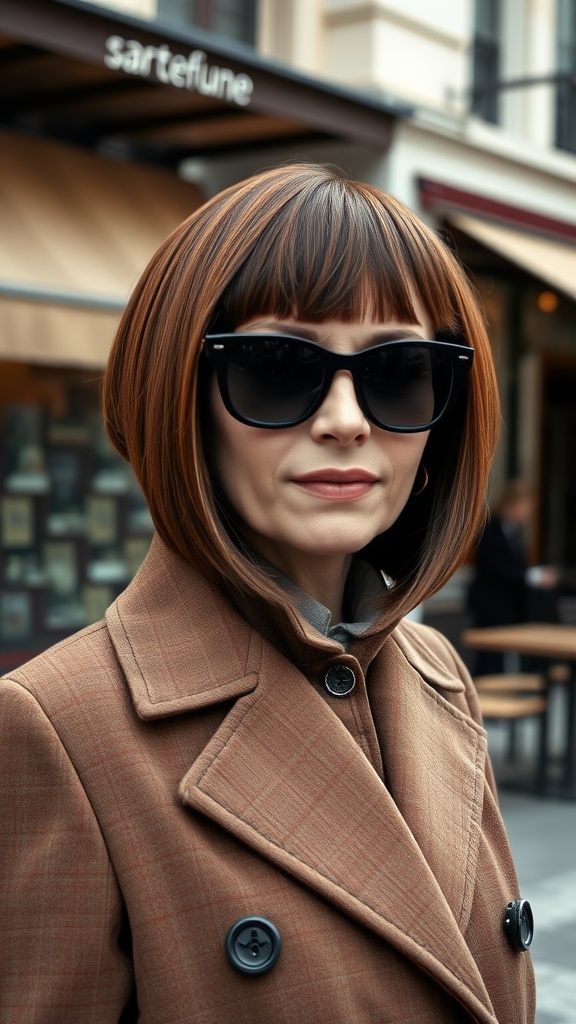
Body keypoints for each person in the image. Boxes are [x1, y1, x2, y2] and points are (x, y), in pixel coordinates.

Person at [0, 165, 535, 1023]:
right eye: (278, 367)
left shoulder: (438, 672)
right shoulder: (56, 725)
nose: (346, 418)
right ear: (183, 397)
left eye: (400, 372)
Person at [468, 479, 559, 673]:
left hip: (509, 606)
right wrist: (532, 577)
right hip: (491, 605)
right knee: (490, 657)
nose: (528, 513)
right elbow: (496, 567)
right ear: (514, 503)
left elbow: (517, 566)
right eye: (526, 506)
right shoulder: (491, 529)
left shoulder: (515, 532)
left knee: (504, 658)